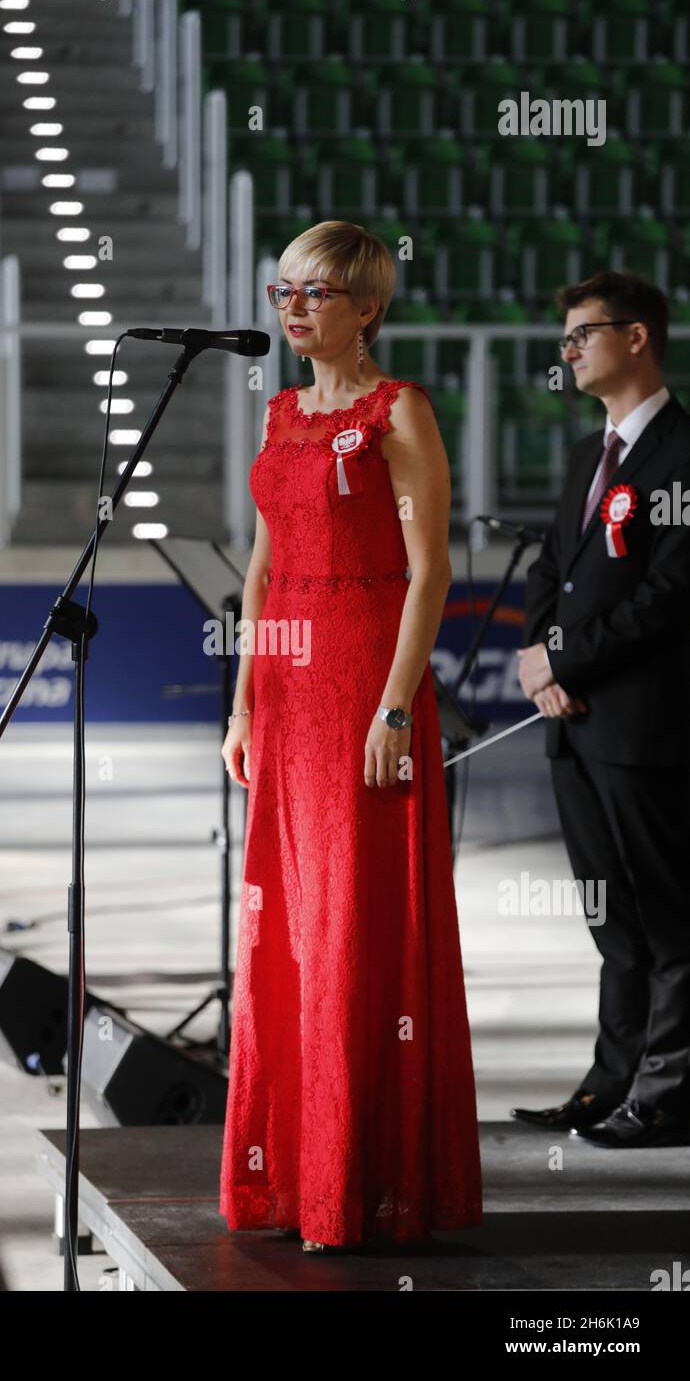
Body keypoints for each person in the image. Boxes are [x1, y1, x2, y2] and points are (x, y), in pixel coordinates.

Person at [217, 220, 482, 1252]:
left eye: (313, 292)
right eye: (282, 290)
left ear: (366, 306)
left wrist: (389, 703)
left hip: (365, 681)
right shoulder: (281, 414)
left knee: (353, 925)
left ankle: (360, 1182)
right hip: (285, 689)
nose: (292, 309)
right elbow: (259, 572)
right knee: (285, 932)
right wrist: (242, 704)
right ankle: (290, 1176)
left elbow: (431, 573)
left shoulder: (397, 409)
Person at [515, 270, 690, 1148]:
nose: (570, 351)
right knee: (610, 917)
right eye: (566, 338)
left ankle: (668, 1094)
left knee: (666, 915)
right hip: (574, 724)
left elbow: (670, 595)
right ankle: (612, 1078)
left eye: (584, 334)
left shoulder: (684, 455)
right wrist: (539, 658)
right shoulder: (592, 455)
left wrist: (562, 655)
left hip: (644, 725)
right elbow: (554, 570)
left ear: (636, 338)